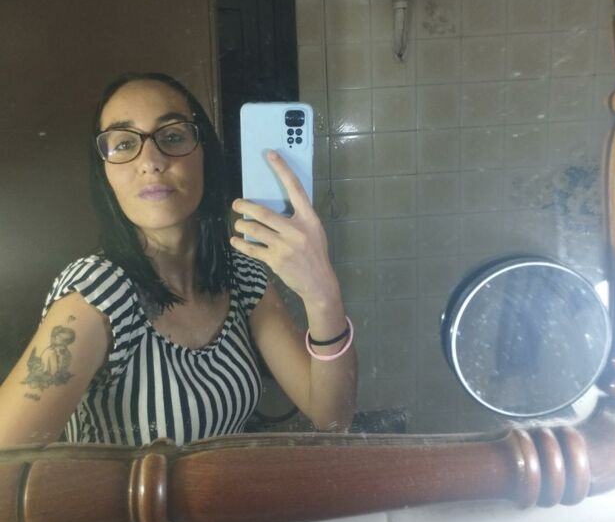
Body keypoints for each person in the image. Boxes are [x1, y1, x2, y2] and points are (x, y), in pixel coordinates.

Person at [0, 72, 356, 447]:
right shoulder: (97, 293)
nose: (151, 161)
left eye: (172, 137)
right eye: (124, 144)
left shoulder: (243, 276)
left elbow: (331, 417)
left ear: (204, 155)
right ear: (105, 173)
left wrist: (323, 296)